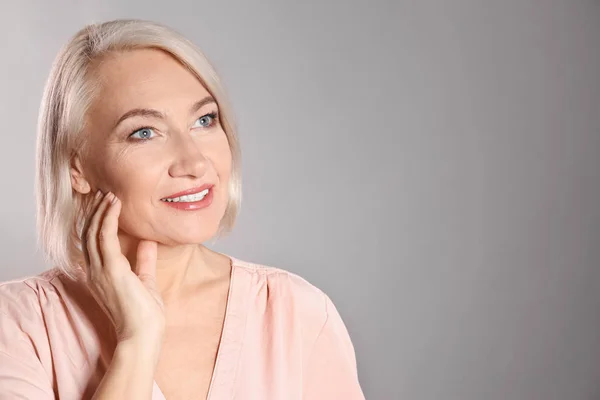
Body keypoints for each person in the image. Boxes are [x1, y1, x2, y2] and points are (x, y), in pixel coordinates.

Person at [0, 19, 364, 400]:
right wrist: (137, 341)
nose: (193, 161)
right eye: (144, 132)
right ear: (77, 168)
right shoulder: (17, 328)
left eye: (204, 120)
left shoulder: (296, 314)